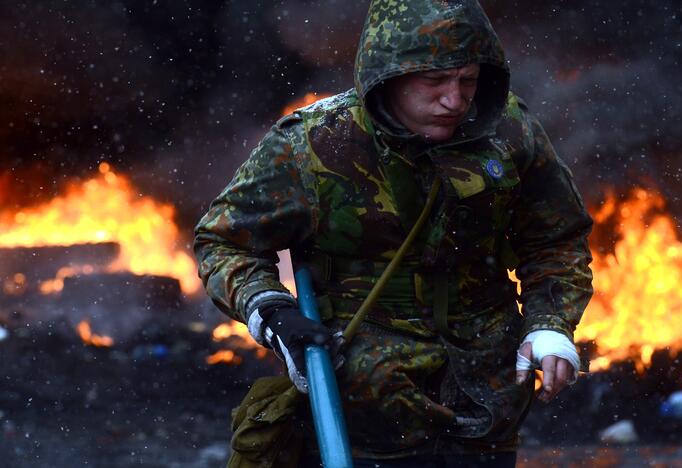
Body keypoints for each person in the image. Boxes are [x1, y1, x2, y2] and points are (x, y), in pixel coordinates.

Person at [194, 0, 593, 466]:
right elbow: (223, 240)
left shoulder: (509, 131)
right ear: (389, 76)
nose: (455, 99)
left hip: (488, 402)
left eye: (467, 80)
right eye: (435, 81)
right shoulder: (312, 145)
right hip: (363, 407)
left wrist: (550, 323)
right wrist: (270, 309)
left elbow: (557, 238)